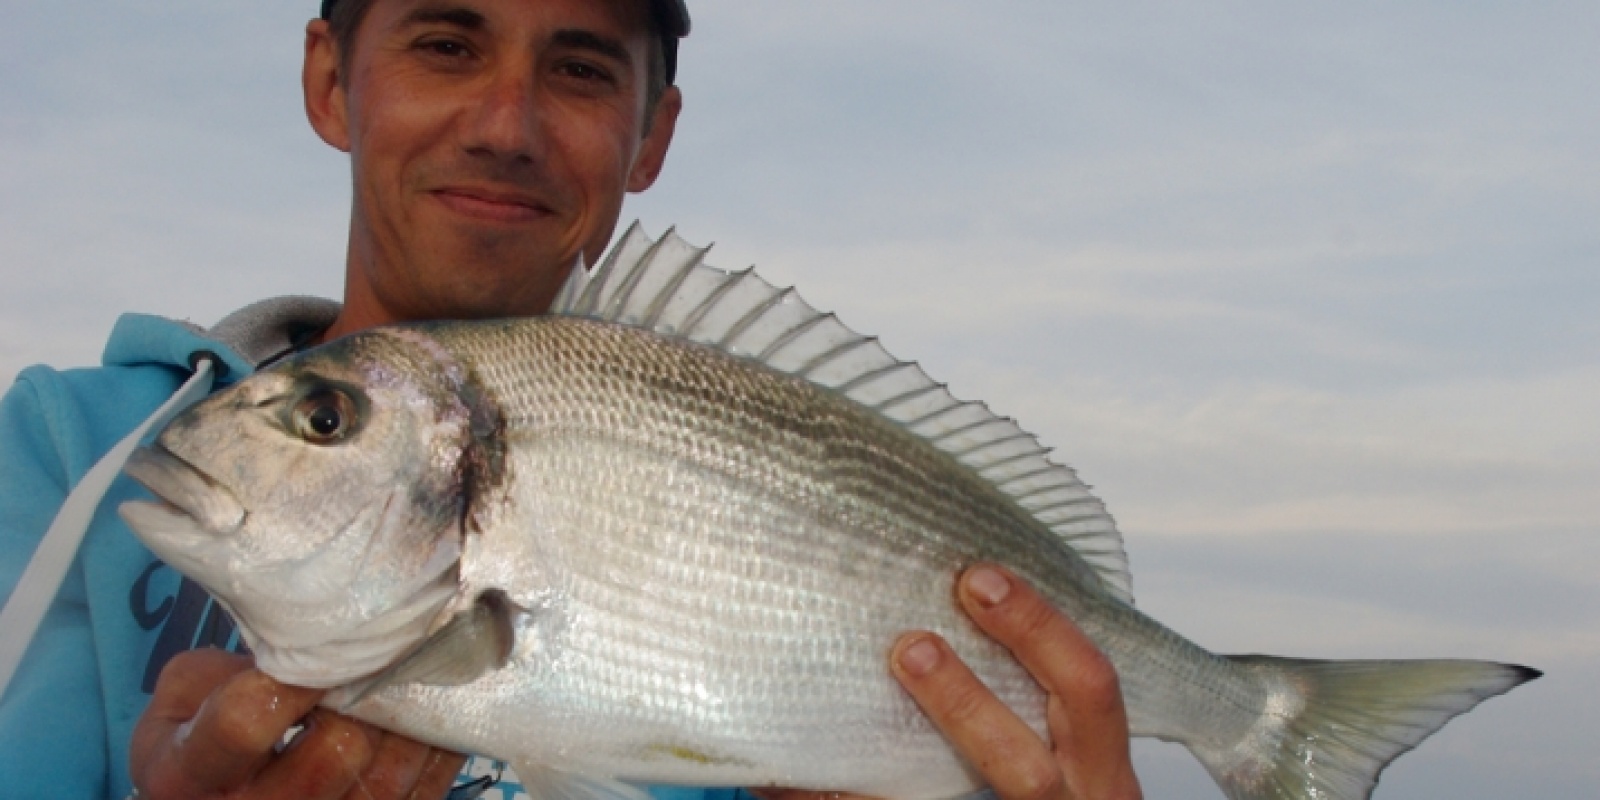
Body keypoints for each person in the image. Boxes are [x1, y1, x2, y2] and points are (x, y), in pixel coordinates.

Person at [0, 2, 1143, 799]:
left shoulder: (703, 397)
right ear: (328, 78)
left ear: (653, 132)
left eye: (582, 68)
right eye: (446, 42)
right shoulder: (66, 454)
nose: (505, 124)